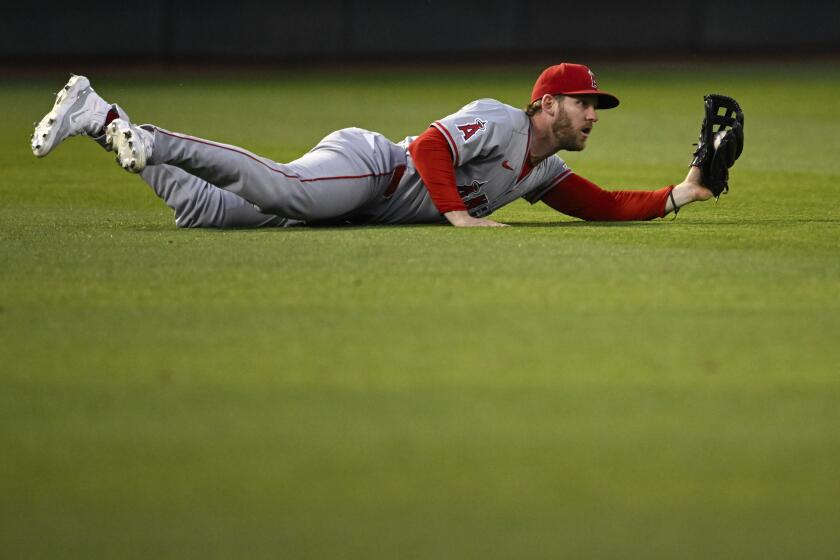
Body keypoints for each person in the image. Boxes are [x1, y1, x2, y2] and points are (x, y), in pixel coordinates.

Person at [31, 63, 715, 229]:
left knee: (207, 213)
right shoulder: (503, 120)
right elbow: (428, 151)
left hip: (366, 200)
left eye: (596, 106)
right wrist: (459, 217)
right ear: (547, 104)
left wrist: (685, 189)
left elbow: (601, 205)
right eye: (585, 103)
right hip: (373, 168)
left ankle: (99, 116)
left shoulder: (541, 167)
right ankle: (148, 137)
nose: (593, 114)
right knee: (287, 186)